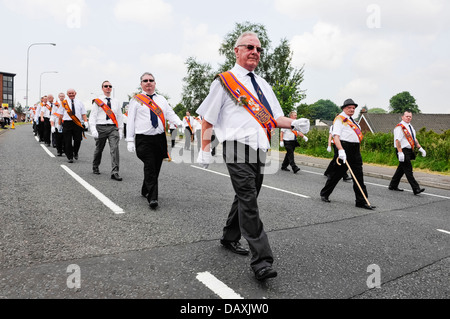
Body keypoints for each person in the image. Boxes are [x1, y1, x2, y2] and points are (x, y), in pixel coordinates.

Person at [196, 31, 310, 281]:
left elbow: (273, 119)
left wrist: (294, 123)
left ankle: (229, 236)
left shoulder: (263, 85)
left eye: (259, 49)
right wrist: (205, 149)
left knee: (247, 195)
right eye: (249, 47)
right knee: (249, 199)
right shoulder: (224, 81)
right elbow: (208, 118)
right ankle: (261, 261)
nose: (255, 52)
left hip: (259, 148)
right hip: (235, 147)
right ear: (236, 51)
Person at [126, 72, 183, 210]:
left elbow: (170, 114)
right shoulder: (136, 100)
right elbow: (130, 120)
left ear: (155, 83)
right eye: (145, 80)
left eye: (151, 80)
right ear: (141, 84)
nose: (148, 82)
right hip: (143, 139)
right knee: (150, 165)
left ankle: (145, 188)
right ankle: (152, 198)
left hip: (159, 138)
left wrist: (181, 125)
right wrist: (129, 140)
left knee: (156, 167)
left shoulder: (162, 100)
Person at [320, 99, 375, 210]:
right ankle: (324, 193)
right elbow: (336, 136)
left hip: (355, 149)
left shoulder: (353, 121)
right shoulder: (340, 119)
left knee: (358, 175)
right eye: (349, 107)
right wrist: (340, 150)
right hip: (344, 148)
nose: (352, 109)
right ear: (344, 108)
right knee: (337, 174)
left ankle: (361, 201)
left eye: (353, 108)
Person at [89, 81, 124, 181]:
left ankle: (115, 172)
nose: (108, 88)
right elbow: (93, 116)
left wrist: (120, 130)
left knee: (115, 149)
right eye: (106, 86)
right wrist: (93, 129)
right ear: (102, 88)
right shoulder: (98, 101)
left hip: (113, 127)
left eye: (110, 86)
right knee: (99, 148)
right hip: (100, 127)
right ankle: (95, 166)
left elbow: (119, 116)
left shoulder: (116, 101)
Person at [388, 110, 426, 195]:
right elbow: (397, 140)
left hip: (409, 150)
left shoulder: (410, 127)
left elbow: (414, 138)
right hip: (402, 150)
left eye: (410, 116)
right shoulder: (400, 127)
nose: (408, 118)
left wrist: (420, 148)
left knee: (401, 169)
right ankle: (416, 188)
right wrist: (400, 152)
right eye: (407, 116)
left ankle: (393, 185)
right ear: (402, 117)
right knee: (408, 170)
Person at [60, 88, 88, 163]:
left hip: (77, 123)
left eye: (72, 93)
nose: (71, 94)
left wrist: (85, 121)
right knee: (67, 141)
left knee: (78, 140)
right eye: (69, 93)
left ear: (75, 93)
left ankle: (75, 152)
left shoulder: (80, 102)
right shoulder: (64, 103)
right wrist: (59, 124)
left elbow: (83, 113)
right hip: (67, 123)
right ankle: (70, 157)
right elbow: (61, 114)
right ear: (67, 94)